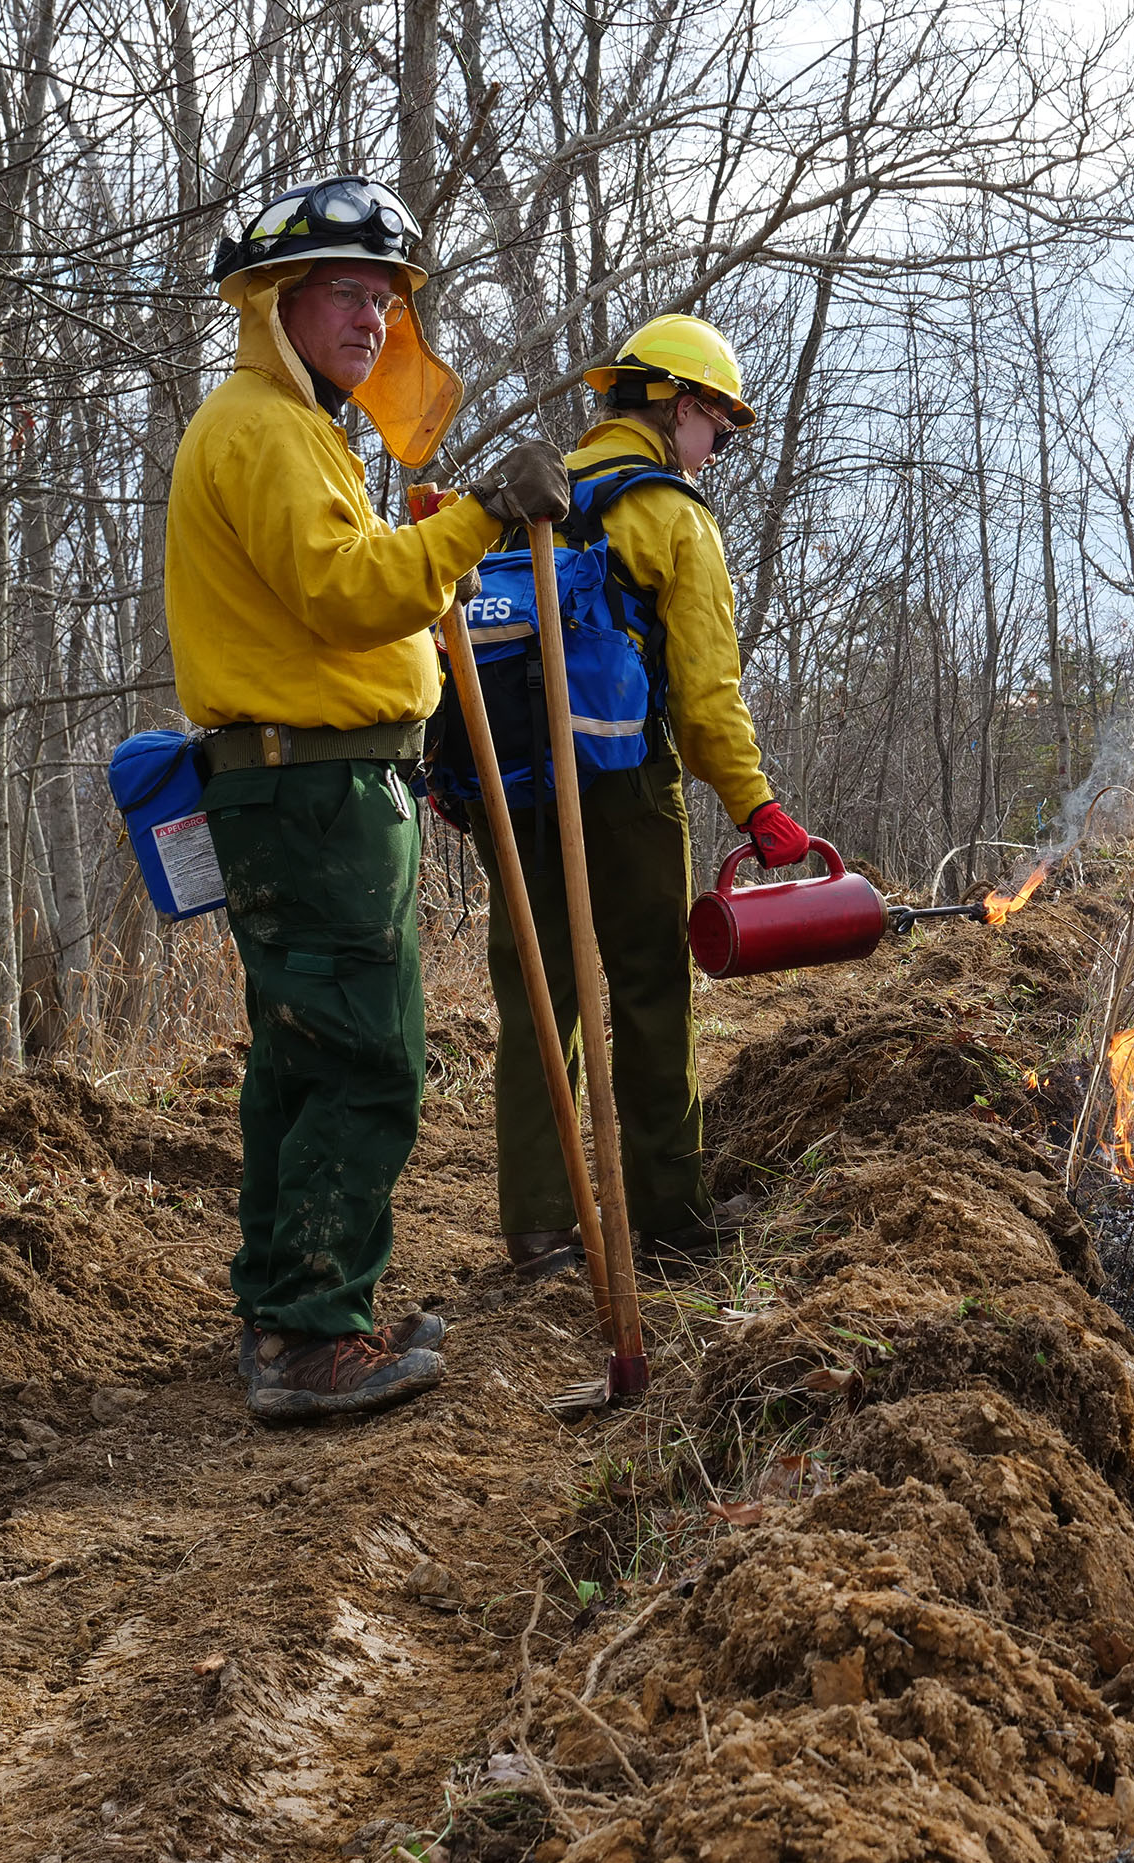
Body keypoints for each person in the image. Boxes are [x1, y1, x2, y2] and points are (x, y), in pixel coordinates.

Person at [167, 174, 572, 1420]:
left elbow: (352, 590)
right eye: (346, 294)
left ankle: (290, 1307)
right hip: (312, 791)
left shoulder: (300, 432)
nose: (372, 321)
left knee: (303, 1059)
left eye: (387, 301)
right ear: (278, 301)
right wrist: (474, 531)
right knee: (364, 1057)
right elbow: (345, 595)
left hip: (325, 784)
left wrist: (439, 539)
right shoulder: (262, 429)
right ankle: (307, 1340)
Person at [476, 313, 815, 1279]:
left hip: (514, 791)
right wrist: (756, 806)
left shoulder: (520, 500)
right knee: (651, 993)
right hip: (622, 790)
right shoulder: (671, 515)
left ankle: (540, 1229)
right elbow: (708, 699)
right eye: (720, 423)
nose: (721, 447)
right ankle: (669, 1215)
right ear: (676, 406)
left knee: (539, 1000)